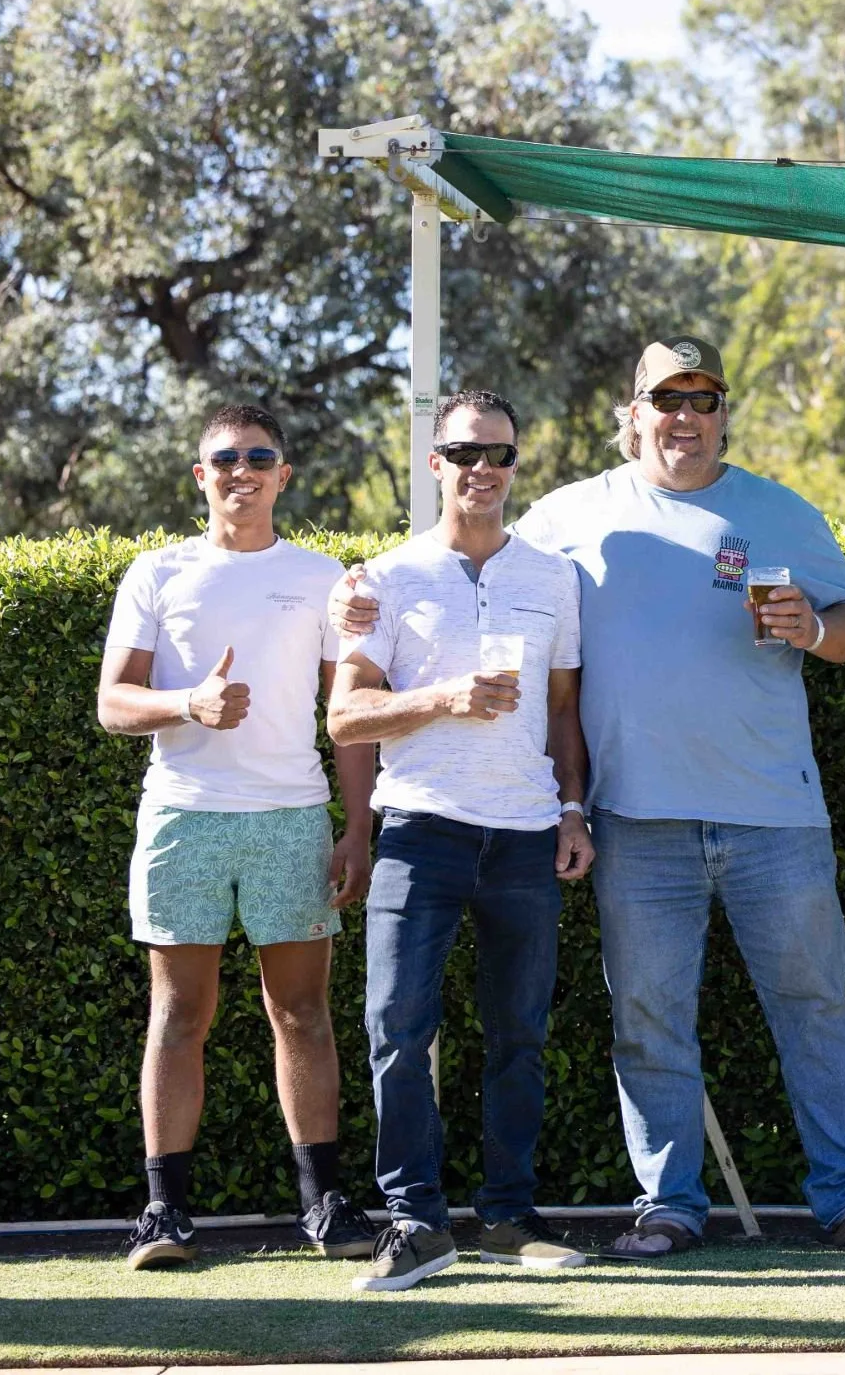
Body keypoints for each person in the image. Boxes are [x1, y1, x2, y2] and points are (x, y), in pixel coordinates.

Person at [338, 338, 845, 1258]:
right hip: (634, 817)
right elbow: (461, 564)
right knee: (646, 1019)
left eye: (703, 398)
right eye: (665, 399)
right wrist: (357, 598)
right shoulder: (569, 516)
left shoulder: (781, 510)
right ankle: (669, 1203)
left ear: (724, 411)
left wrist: (817, 626)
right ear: (632, 413)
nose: (686, 416)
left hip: (776, 814)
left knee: (813, 1007)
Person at [96, 404, 379, 1272]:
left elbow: (351, 719)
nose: (242, 470)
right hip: (183, 815)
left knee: (301, 1013)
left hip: (291, 817)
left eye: (260, 457)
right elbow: (112, 704)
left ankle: (324, 1202)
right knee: (179, 1015)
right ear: (200, 476)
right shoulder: (158, 572)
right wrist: (189, 703)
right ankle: (165, 1213)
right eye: (225, 458)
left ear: (283, 475)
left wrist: (357, 827)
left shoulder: (324, 575)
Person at [329, 390, 594, 1291]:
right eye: (465, 453)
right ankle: (416, 1222)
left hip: (525, 836)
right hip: (420, 830)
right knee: (397, 1029)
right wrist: (441, 699)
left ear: (518, 465)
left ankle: (510, 1218)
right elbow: (345, 715)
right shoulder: (386, 579)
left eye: (501, 455)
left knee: (519, 1035)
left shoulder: (553, 578)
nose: (484, 470)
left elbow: (564, 708)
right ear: (434, 462)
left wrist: (573, 810)